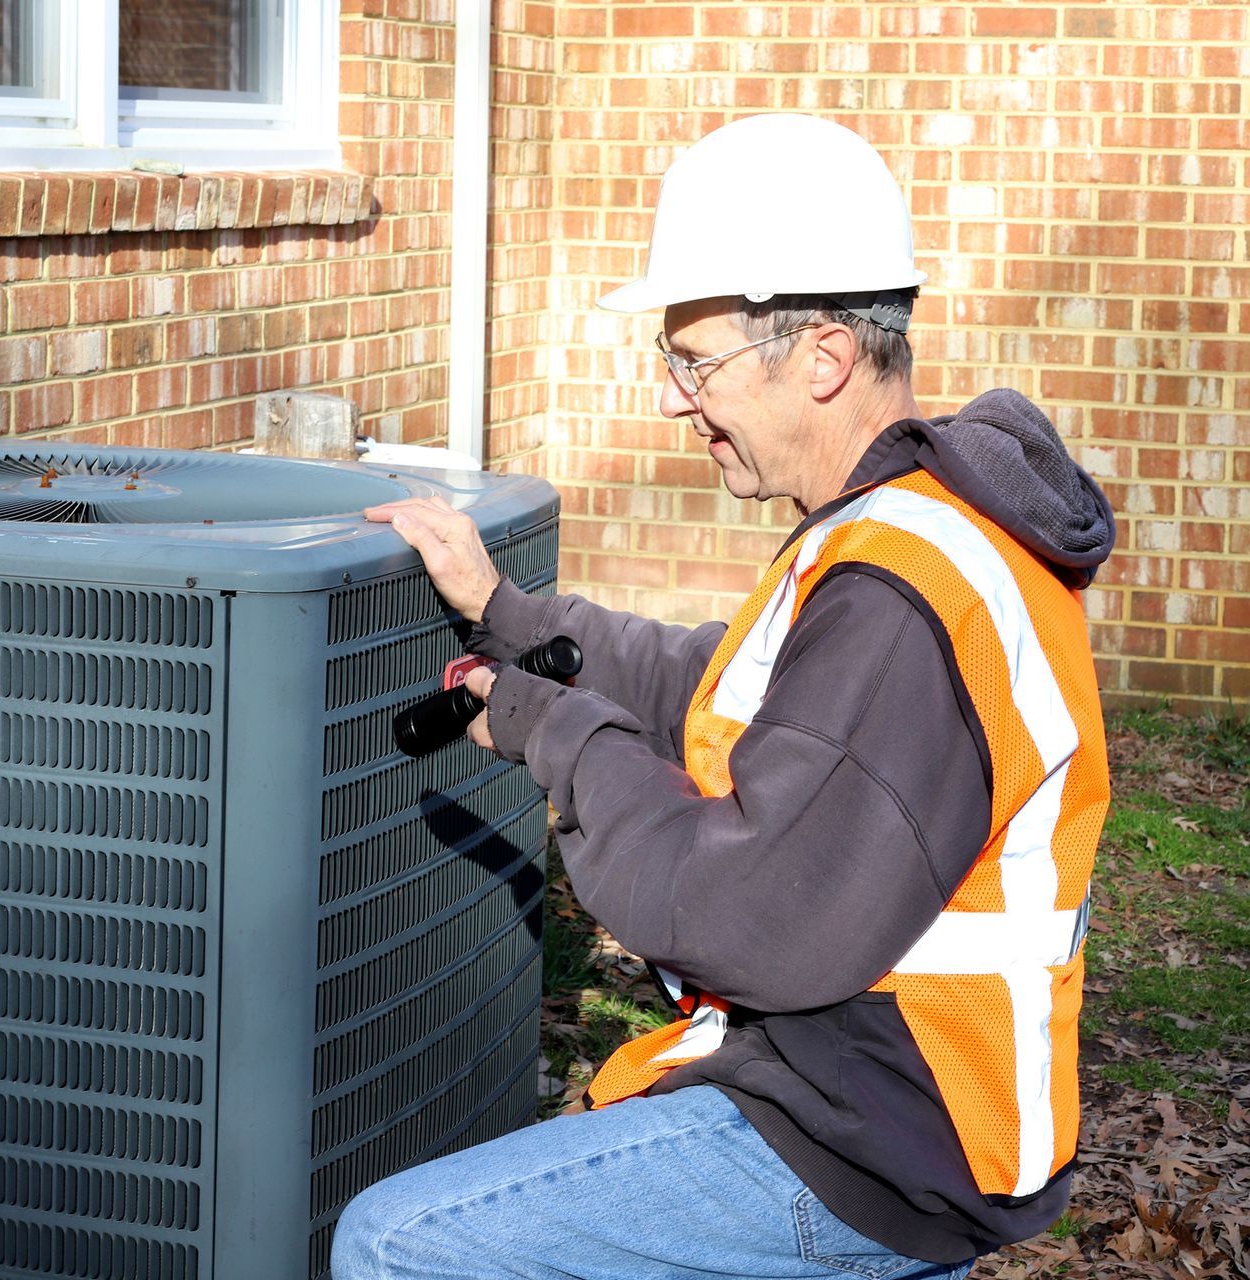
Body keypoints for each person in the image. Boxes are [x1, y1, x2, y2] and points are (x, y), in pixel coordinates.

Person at [337, 114, 1115, 1280]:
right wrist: (509, 610)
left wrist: (551, 728)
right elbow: (715, 689)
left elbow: (750, 911)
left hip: (870, 1135)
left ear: (820, 358)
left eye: (694, 363)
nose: (674, 401)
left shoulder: (904, 592)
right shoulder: (904, 528)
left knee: (396, 1244)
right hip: (878, 1097)